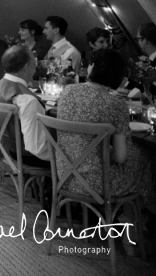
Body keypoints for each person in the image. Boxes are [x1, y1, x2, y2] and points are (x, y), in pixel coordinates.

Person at [56, 49, 152, 253]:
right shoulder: (115, 104)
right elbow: (120, 157)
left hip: (65, 175)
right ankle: (133, 227)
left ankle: (129, 223)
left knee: (133, 157)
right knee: (142, 156)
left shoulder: (67, 93)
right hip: (98, 183)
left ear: (91, 68)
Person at [0, 45, 51, 164]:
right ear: (25, 67)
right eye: (34, 63)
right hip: (27, 156)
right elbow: (36, 149)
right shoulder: (27, 100)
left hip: (8, 150)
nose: (35, 67)